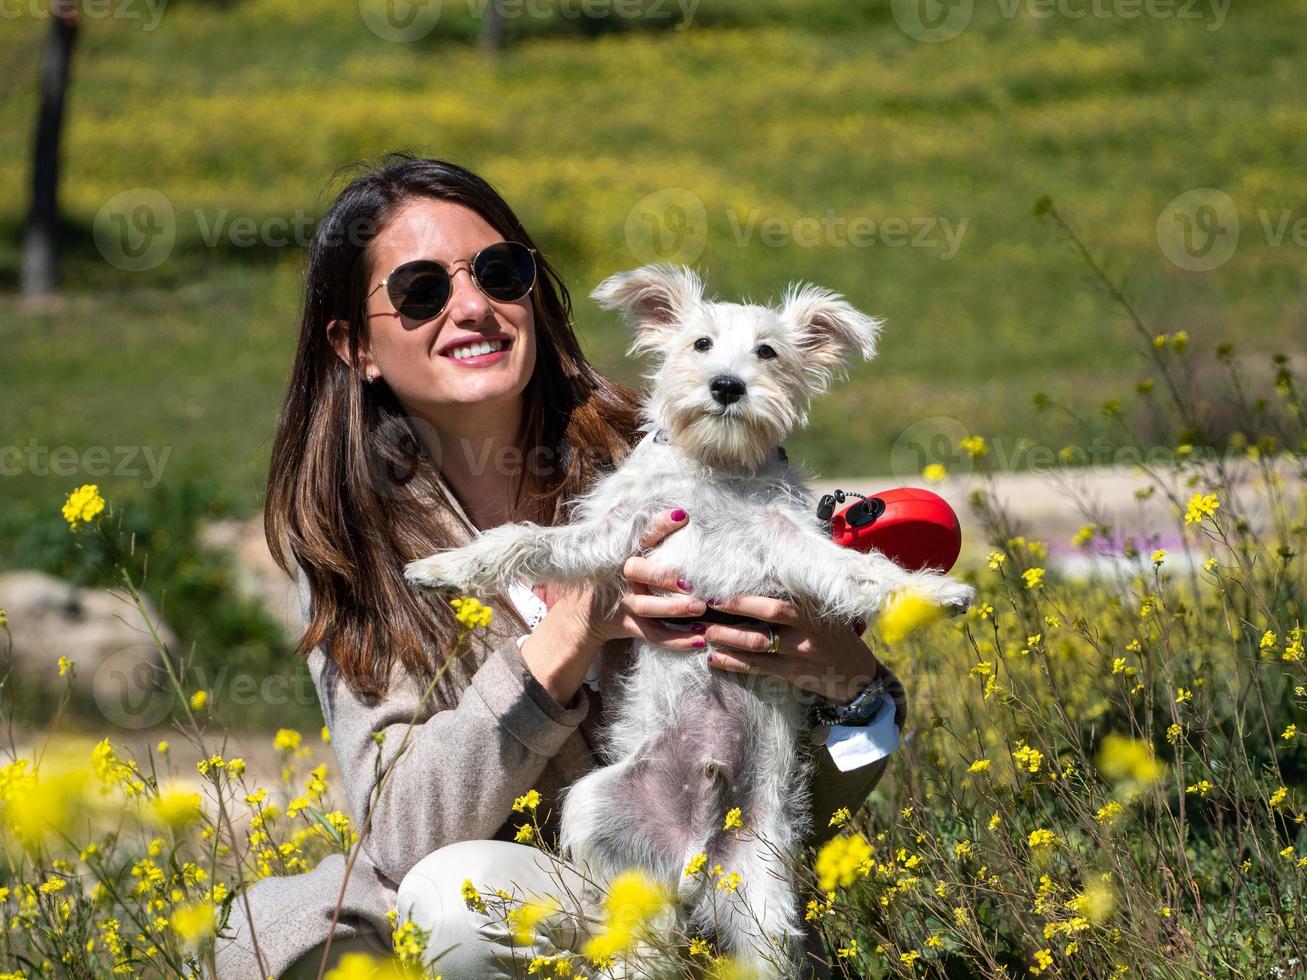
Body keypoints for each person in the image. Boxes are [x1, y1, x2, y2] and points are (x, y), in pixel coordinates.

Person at [214, 154, 905, 979]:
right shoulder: (352, 551)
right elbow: (404, 835)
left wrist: (852, 687)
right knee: (423, 904)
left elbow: (802, 799)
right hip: (544, 893)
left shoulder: (684, 451)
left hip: (710, 897)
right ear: (355, 345)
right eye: (420, 291)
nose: (471, 306)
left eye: (500, 273)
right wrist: (572, 630)